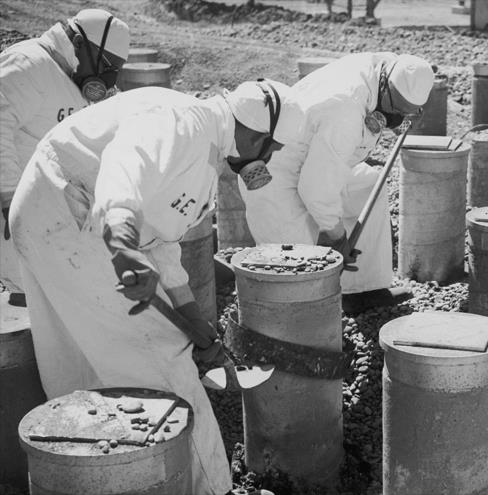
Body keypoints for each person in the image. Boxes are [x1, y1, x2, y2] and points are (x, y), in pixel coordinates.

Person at [9, 79, 297, 495]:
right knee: (166, 369)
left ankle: (104, 483)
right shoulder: (178, 122)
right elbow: (121, 171)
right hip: (74, 220)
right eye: (272, 148)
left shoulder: (205, 146)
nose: (268, 159)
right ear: (255, 132)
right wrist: (123, 246)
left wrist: (194, 320)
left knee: (85, 373)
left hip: (59, 222)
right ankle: (212, 490)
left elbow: (161, 243)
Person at [239, 52, 434, 314]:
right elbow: (316, 188)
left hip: (314, 157)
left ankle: (362, 288)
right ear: (385, 83)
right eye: (396, 108)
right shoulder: (345, 107)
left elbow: (327, 167)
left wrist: (399, 113)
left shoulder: (384, 67)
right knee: (297, 267)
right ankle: (298, 321)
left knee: (367, 186)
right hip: (277, 172)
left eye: (406, 111)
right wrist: (336, 236)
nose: (398, 116)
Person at [0, 8, 130, 307]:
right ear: (79, 44)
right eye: (106, 65)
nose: (108, 77)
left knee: (57, 293)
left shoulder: (74, 76)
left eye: (116, 70)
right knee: (31, 291)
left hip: (52, 210)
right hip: (16, 209)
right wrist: (9, 197)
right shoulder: (29, 64)